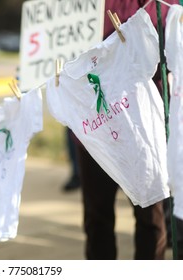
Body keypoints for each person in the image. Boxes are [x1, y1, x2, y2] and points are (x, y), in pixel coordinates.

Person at [75, 0, 179, 259]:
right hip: (93, 127)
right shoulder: (77, 6)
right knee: (97, 218)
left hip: (143, 126)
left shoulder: (164, 4)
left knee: (151, 218)